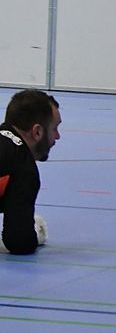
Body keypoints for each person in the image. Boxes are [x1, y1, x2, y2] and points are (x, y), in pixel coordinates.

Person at [0, 89, 60, 255]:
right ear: (37, 132)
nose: (57, 136)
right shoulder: (22, 165)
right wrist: (36, 233)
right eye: (54, 129)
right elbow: (19, 242)